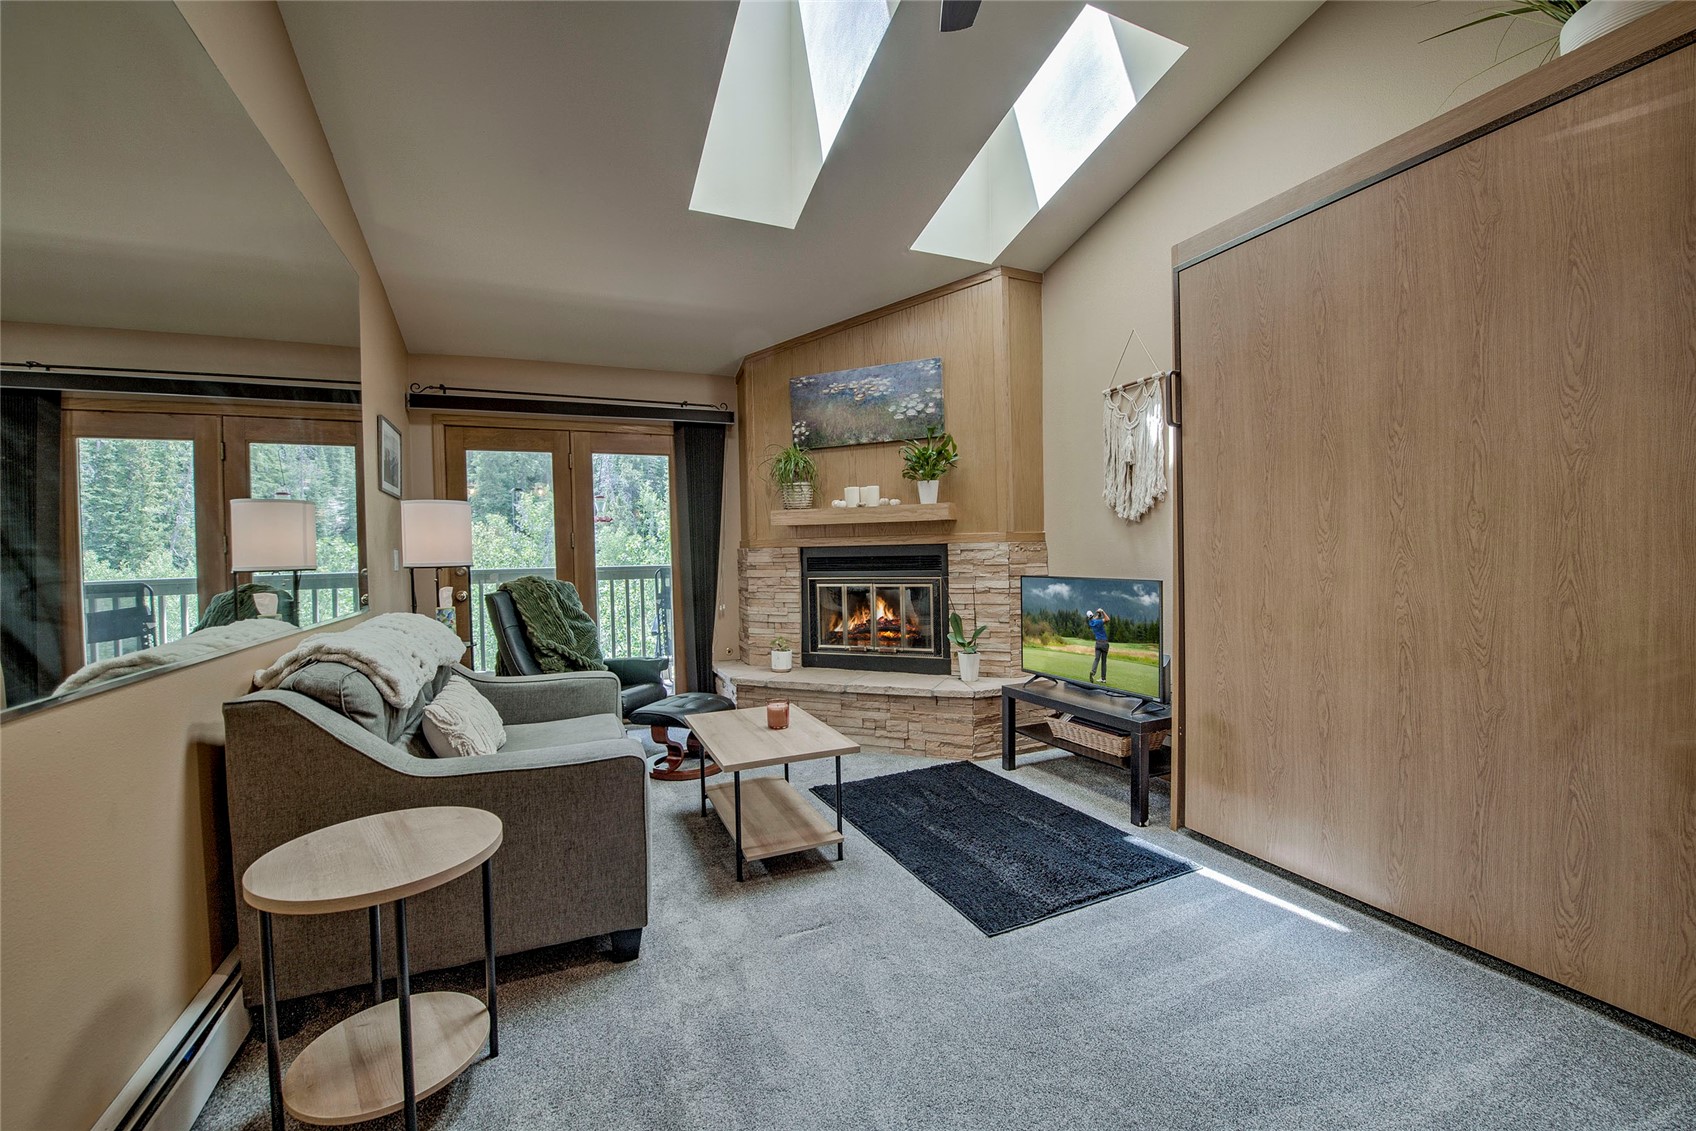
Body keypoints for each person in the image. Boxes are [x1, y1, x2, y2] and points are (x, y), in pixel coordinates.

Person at [1087, 608, 1110, 683]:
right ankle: (1103, 678)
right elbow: (1107, 619)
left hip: (1098, 643)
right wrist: (1102, 611)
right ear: (1092, 615)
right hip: (1104, 643)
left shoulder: (1090, 622)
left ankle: (1093, 672)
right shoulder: (1099, 622)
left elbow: (1096, 618)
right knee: (1104, 661)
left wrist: (1099, 614)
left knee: (1096, 659)